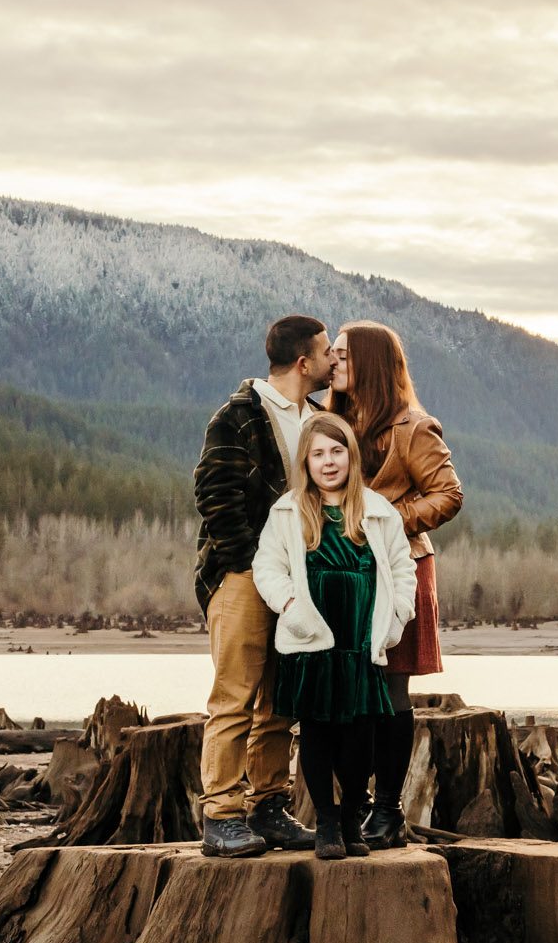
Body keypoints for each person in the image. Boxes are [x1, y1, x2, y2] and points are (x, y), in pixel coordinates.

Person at [193, 314, 334, 858]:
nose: (333, 361)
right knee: (234, 696)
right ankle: (222, 815)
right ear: (304, 362)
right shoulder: (237, 417)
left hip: (300, 582)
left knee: (280, 700)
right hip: (243, 578)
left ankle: (268, 806)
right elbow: (215, 495)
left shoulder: (319, 419)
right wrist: (252, 566)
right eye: (327, 352)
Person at [252, 411, 416, 859]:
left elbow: (403, 569)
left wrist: (398, 614)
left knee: (360, 736)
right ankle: (325, 821)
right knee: (319, 731)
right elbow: (267, 567)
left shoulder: (377, 512)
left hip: (360, 641)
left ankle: (350, 819)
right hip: (313, 640)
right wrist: (290, 605)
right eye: (318, 454)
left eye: (337, 452)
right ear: (305, 462)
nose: (328, 462)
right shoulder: (288, 512)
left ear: (351, 456)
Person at [326, 320, 461, 848]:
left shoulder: (414, 427)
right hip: (341, 572)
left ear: (371, 364)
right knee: (348, 693)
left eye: (343, 355)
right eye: (331, 354)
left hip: (401, 569)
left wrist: (384, 517)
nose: (332, 363)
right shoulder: (331, 422)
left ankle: (387, 813)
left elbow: (449, 494)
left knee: (390, 691)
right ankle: (353, 809)